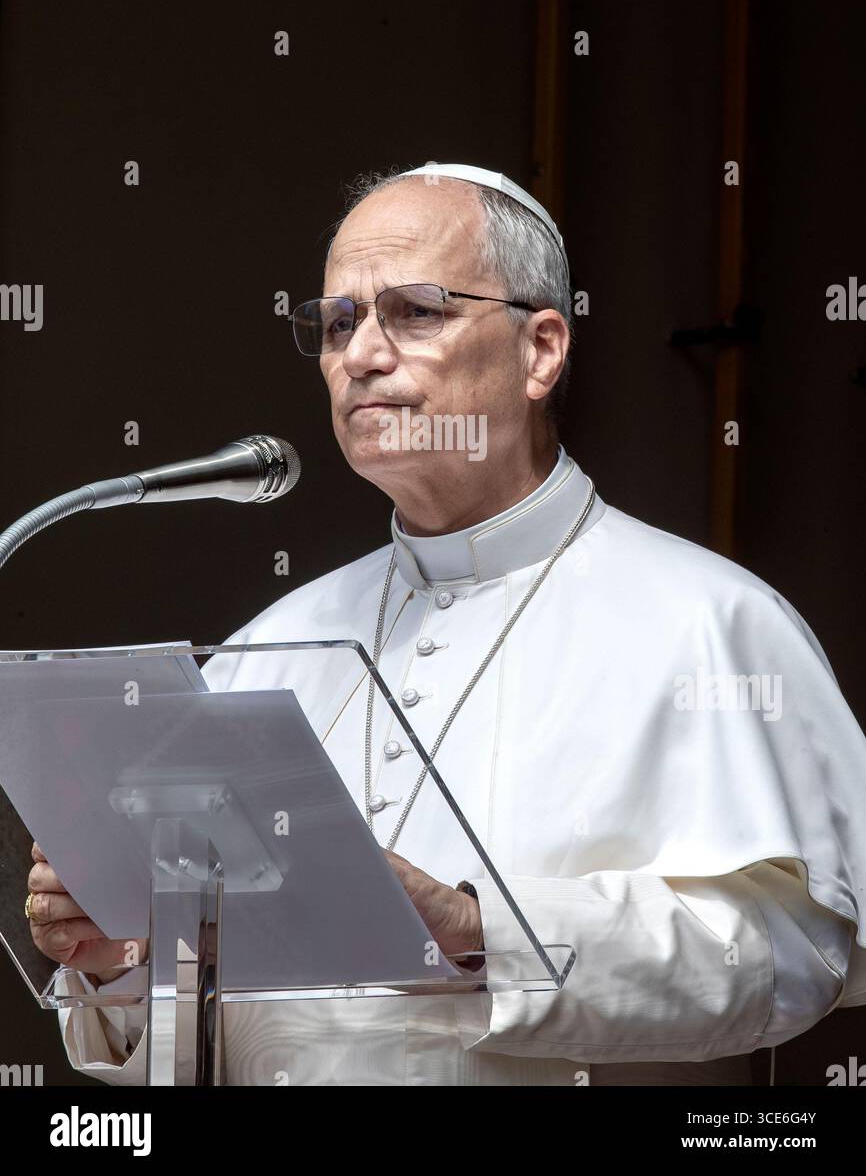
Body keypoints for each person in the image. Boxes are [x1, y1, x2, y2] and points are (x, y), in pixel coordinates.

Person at [31, 162, 866, 1086]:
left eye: (415, 312)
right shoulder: (269, 643)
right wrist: (119, 959)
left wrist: (480, 934)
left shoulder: (712, 622)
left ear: (540, 350)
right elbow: (199, 1012)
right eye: (338, 323)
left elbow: (800, 951)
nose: (361, 356)